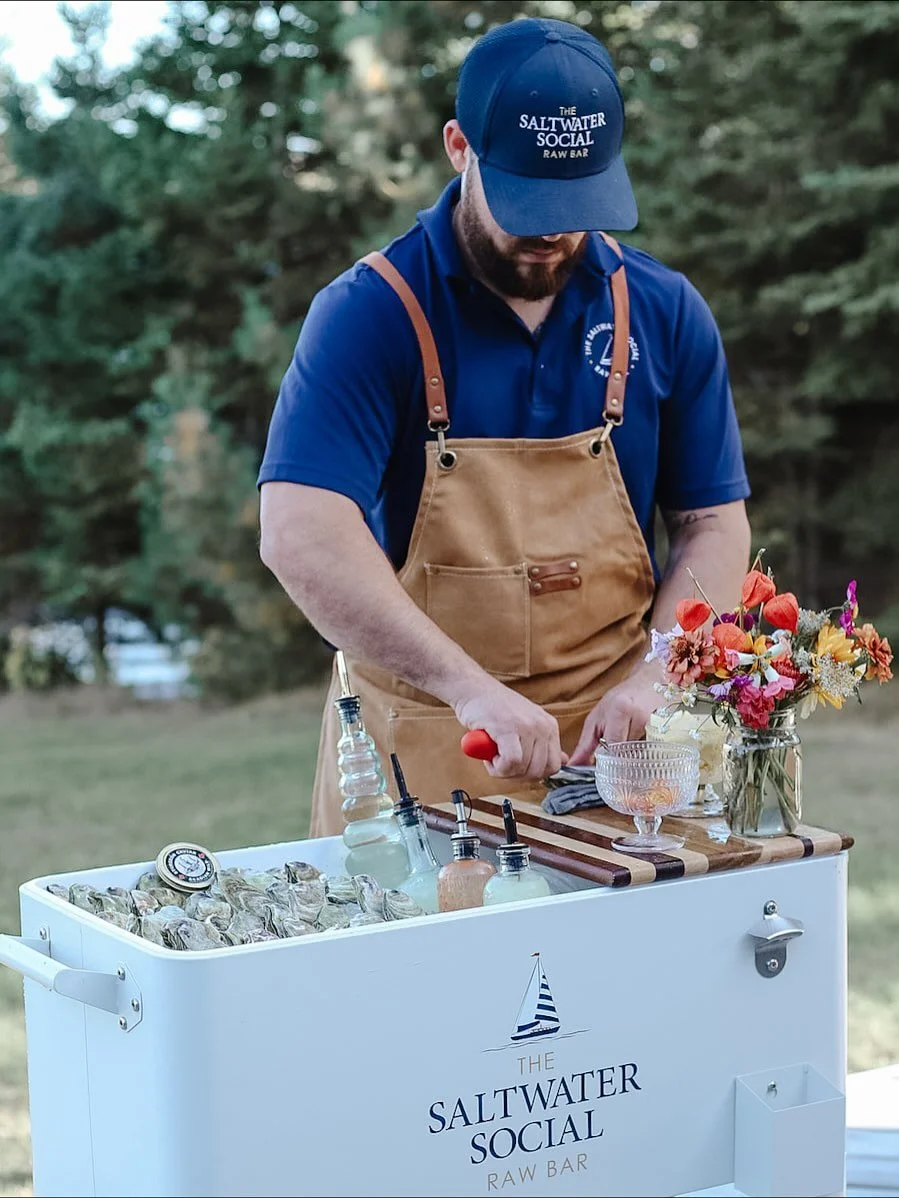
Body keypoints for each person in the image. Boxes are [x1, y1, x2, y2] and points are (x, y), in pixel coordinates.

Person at [258, 17, 752, 837]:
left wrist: (660, 678)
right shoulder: (368, 313)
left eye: (578, 201)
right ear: (459, 147)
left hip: (620, 761)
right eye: (529, 199)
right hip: (430, 736)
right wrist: (467, 687)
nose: (553, 230)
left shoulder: (664, 311)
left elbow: (710, 526)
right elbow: (300, 535)